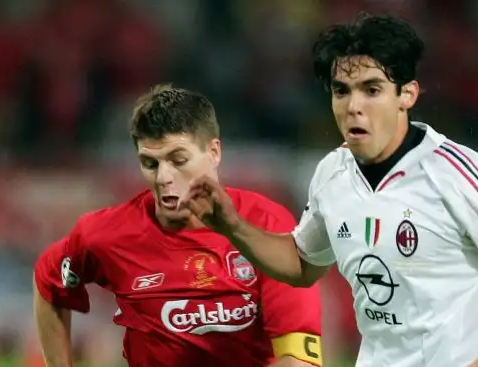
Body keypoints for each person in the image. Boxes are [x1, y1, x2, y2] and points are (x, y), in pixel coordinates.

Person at [179, 13, 478, 367]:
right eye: (341, 91)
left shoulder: (462, 178)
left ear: (407, 95)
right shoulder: (332, 174)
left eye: (371, 89)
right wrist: (231, 225)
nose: (353, 106)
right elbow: (302, 263)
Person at [32, 85, 323, 367]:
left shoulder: (267, 225)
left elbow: (300, 361)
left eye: (178, 159)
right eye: (150, 163)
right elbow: (49, 277)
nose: (163, 178)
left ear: (214, 153)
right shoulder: (108, 234)